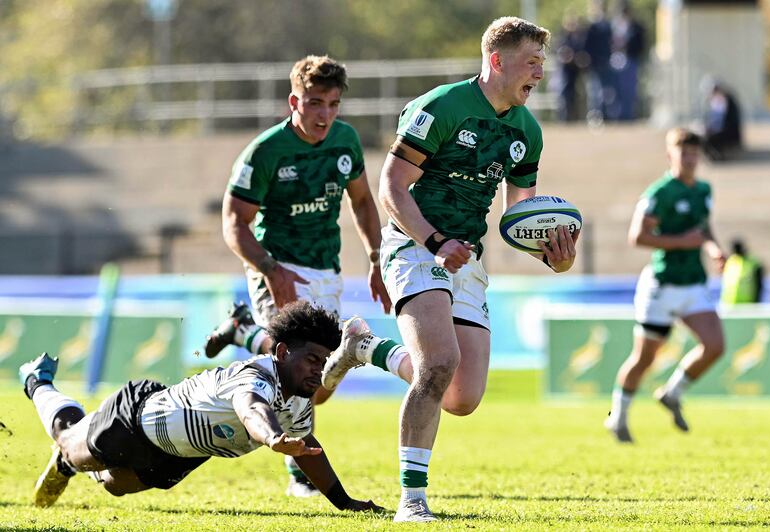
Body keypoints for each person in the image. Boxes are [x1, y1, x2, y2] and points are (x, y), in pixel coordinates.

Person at [322, 17, 579, 522]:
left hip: (466, 255)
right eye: (532, 62)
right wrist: (435, 241)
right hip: (416, 245)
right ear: (496, 60)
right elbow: (392, 187)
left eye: (542, 64)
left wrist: (552, 254)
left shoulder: (527, 129)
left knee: (461, 397)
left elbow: (517, 218)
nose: (540, 74)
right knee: (438, 363)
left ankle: (363, 347)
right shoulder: (440, 107)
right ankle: (412, 501)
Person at [203, 55, 404, 497]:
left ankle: (243, 330)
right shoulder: (266, 151)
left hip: (325, 270)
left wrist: (376, 258)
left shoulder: (346, 141)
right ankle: (300, 470)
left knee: (317, 382)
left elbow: (364, 203)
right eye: (315, 103)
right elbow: (234, 222)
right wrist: (272, 270)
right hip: (278, 267)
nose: (325, 114)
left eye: (333, 104)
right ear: (294, 100)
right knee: (293, 371)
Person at [18, 301, 382, 513]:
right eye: (313, 359)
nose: (320, 370)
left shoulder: (299, 400)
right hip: (140, 417)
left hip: (184, 454)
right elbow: (251, 408)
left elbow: (309, 451)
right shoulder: (255, 375)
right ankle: (38, 383)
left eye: (325, 361)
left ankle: (84, 455)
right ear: (283, 353)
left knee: (115, 485)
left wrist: (344, 503)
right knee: (71, 445)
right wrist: (273, 439)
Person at [605, 128, 727, 444]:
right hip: (661, 286)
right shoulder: (660, 192)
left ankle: (672, 393)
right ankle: (618, 417)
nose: (689, 159)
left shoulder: (703, 190)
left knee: (715, 346)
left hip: (692, 284)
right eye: (683, 153)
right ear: (669, 155)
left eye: (694, 153)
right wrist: (681, 242)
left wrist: (713, 248)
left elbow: (703, 227)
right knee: (644, 359)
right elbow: (637, 237)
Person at [703, 82, 743, 161]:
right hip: (731, 130)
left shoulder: (721, 100)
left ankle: (715, 156)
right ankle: (715, 154)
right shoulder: (726, 98)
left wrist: (709, 128)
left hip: (729, 131)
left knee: (707, 138)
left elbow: (719, 121)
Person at [720, 238, 763, 304]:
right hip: (729, 303)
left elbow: (759, 283)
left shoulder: (753, 263)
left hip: (747, 303)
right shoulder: (730, 261)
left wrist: (756, 301)